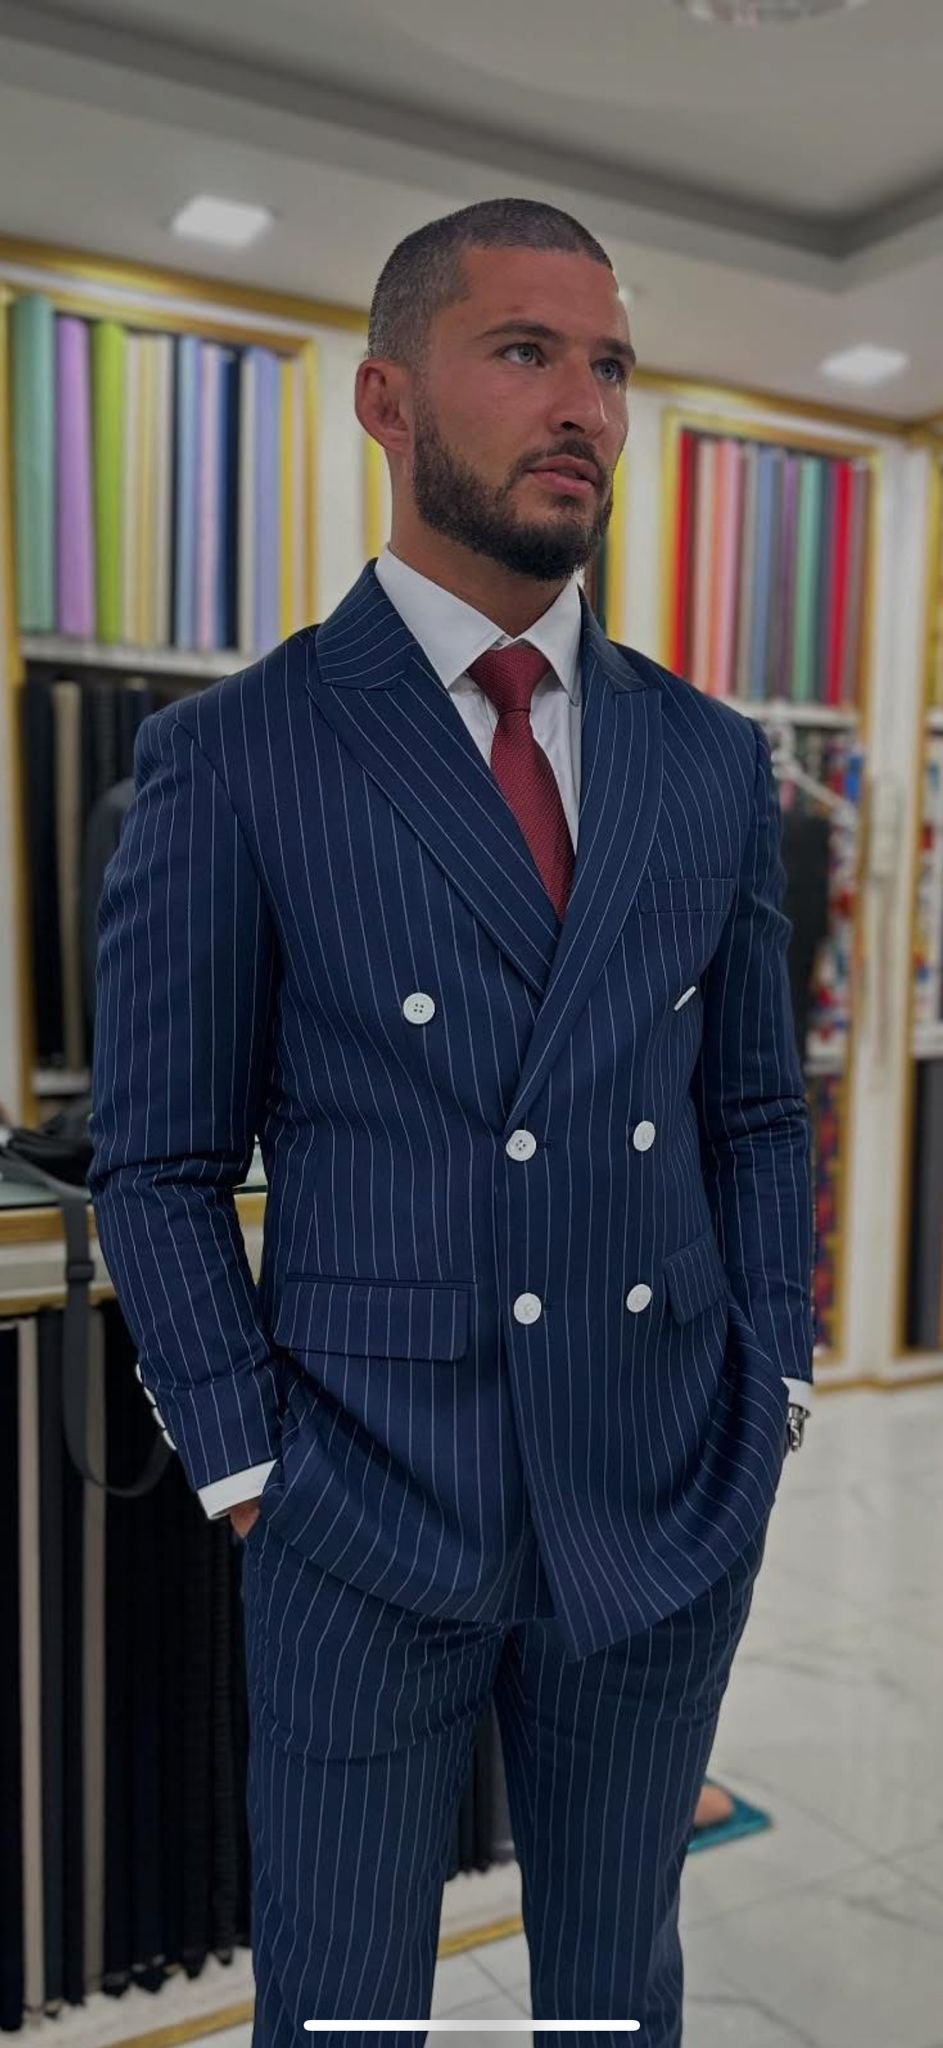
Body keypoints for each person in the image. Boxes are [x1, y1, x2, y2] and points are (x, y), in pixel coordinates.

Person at [88, 197, 814, 2048]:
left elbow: (750, 1106)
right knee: (339, 2010)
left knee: (614, 2000)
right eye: (526, 351)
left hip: (662, 1482)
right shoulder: (236, 754)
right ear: (386, 400)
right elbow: (160, 1162)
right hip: (360, 1501)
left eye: (612, 366)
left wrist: (777, 1385)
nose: (586, 405)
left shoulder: (706, 757)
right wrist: (248, 1467)